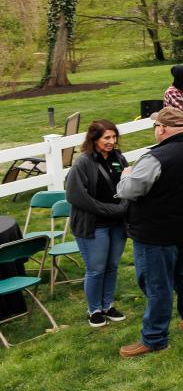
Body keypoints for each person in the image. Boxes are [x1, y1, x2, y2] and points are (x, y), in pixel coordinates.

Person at [116, 107, 183, 357]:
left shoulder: (154, 158)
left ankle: (155, 338)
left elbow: (130, 191)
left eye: (156, 126)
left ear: (162, 128)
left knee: (157, 284)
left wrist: (126, 176)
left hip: (156, 232)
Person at [65, 120, 129, 328]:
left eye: (114, 137)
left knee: (112, 266)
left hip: (117, 223)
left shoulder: (119, 158)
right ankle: (94, 310)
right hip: (94, 225)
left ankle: (107, 305)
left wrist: (124, 206)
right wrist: (110, 209)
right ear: (94, 139)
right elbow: (76, 196)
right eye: (106, 138)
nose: (112, 141)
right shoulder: (83, 162)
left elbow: (128, 186)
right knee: (96, 268)